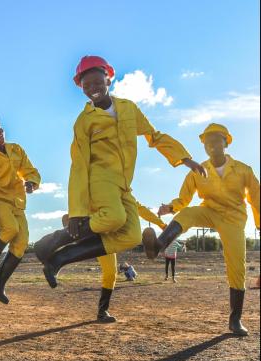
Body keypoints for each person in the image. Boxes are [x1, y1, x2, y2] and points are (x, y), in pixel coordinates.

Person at [34, 55, 205, 288]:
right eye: (86, 86)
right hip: (99, 178)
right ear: (81, 88)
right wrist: (76, 211)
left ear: (108, 79)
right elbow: (79, 165)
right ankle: (60, 237)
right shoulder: (83, 122)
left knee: (131, 236)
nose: (93, 88)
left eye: (97, 82)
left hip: (124, 184)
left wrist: (186, 159)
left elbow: (154, 137)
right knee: (114, 217)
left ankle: (60, 258)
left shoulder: (128, 108)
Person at [142, 123, 260, 336]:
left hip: (233, 219)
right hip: (210, 212)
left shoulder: (244, 170)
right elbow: (185, 198)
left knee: (237, 267)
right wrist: (170, 208)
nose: (211, 145)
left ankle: (235, 320)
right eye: (207, 142)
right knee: (186, 215)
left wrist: (259, 224)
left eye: (216, 140)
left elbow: (256, 199)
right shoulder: (198, 170)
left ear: (226, 142)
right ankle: (158, 246)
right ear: (204, 146)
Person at [0, 118, 40, 304]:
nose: (0, 132)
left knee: (21, 243)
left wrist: (31, 182)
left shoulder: (16, 149)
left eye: (0, 129)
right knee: (10, 229)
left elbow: (29, 170)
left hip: (18, 202)